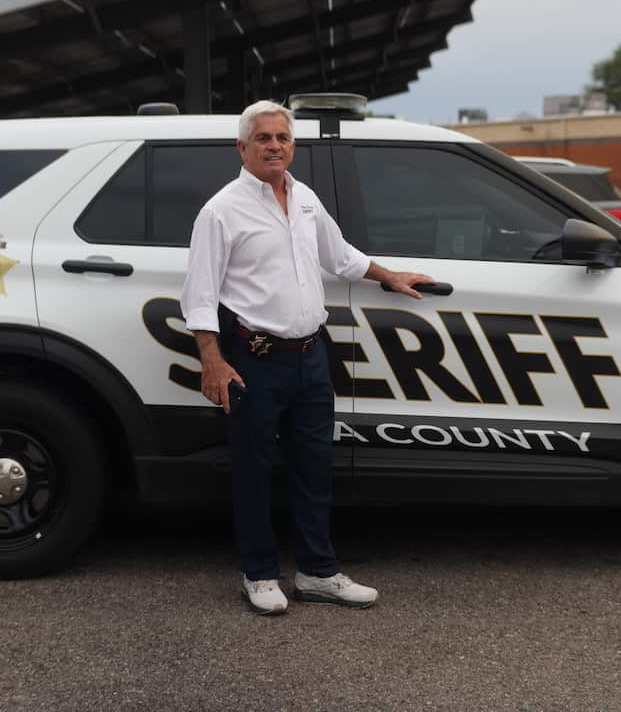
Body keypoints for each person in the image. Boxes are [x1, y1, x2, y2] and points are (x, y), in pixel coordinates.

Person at [180, 100, 432, 615]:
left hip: (312, 359)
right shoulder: (221, 211)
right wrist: (212, 360)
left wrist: (389, 276)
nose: (275, 146)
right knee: (253, 471)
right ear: (243, 148)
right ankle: (260, 574)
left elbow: (339, 256)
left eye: (283, 138)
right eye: (264, 138)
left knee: (315, 468)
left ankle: (318, 572)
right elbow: (199, 294)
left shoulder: (306, 198)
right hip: (254, 360)